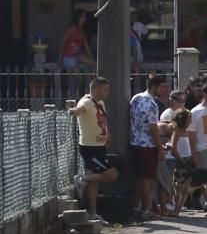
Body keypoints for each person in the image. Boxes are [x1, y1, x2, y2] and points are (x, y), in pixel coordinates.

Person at [70, 77, 119, 222]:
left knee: (94, 181)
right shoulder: (85, 102)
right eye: (105, 90)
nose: (107, 93)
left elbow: (103, 121)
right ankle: (81, 179)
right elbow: (79, 110)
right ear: (96, 89)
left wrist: (107, 134)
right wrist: (74, 110)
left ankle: (92, 213)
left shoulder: (100, 102)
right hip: (90, 148)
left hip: (99, 146)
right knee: (112, 175)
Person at [129, 74, 165, 221]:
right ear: (154, 87)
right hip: (147, 145)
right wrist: (160, 148)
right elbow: (153, 128)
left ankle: (136, 207)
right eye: (162, 87)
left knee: (139, 178)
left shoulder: (136, 98)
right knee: (146, 179)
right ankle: (145, 209)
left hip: (135, 143)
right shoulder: (151, 104)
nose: (165, 90)